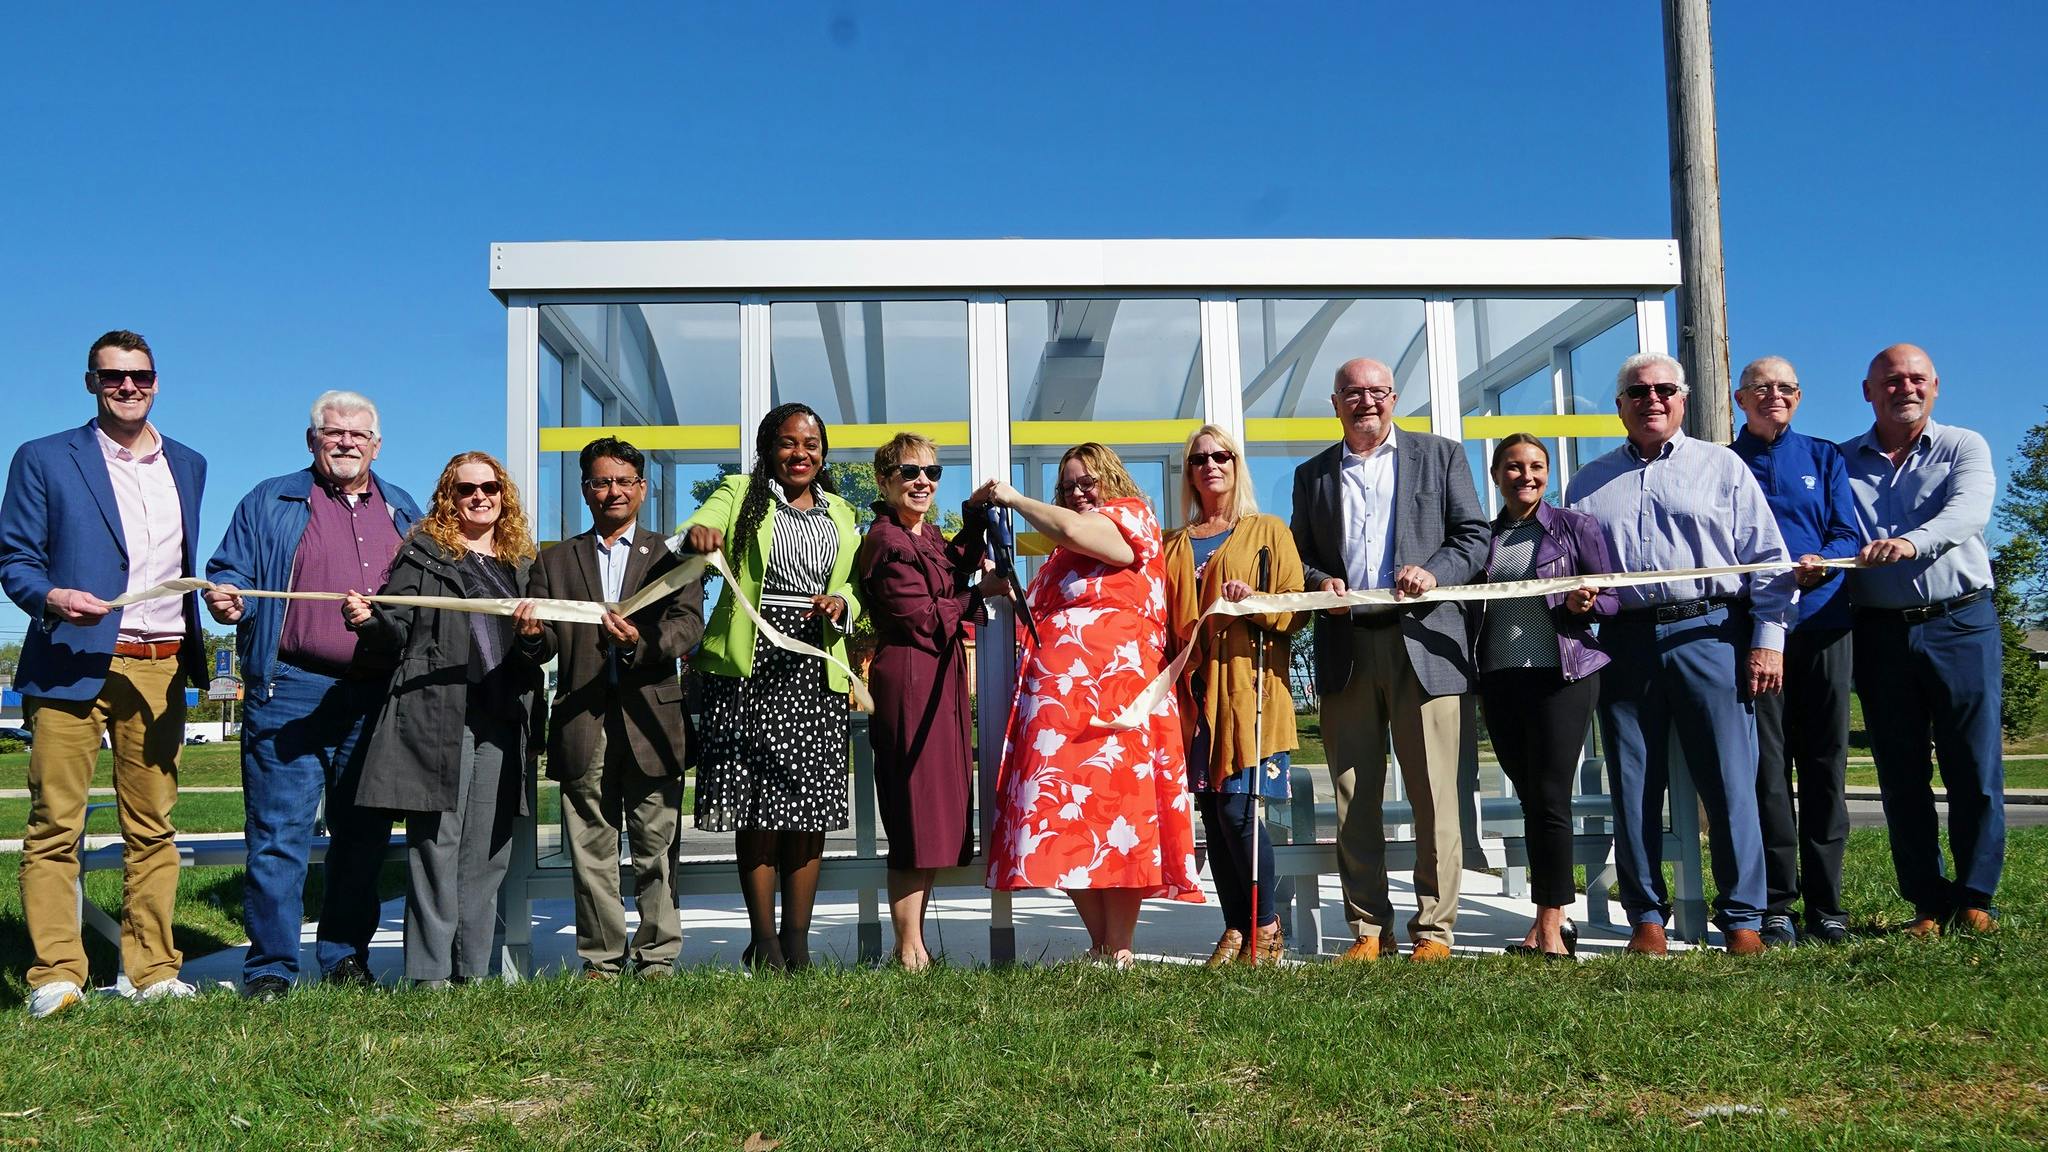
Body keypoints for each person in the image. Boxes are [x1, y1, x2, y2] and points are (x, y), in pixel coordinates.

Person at [0, 330, 208, 1017]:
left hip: (160, 666)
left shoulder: (189, 463)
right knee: (56, 823)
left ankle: (149, 971)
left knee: (152, 826)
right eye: (113, 377)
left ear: (156, 380)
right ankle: (57, 974)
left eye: (140, 376)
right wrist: (53, 597)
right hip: (71, 661)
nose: (128, 387)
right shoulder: (43, 458)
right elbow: (16, 562)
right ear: (91, 382)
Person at [1566, 352, 1794, 956]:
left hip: (1711, 633)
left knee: (1730, 782)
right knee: (1633, 782)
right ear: (1620, 407)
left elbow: (1767, 561)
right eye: (1637, 392)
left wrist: (1768, 641)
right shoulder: (1586, 484)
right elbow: (1571, 572)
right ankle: (1645, 916)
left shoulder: (1723, 468)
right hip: (1626, 642)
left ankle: (1743, 917)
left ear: (1683, 399)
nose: (1652, 400)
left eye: (1664, 389)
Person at [204, 390, 422, 999]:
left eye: (358, 435)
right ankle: (272, 967)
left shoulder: (404, 510)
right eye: (334, 433)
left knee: (363, 837)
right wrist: (224, 596)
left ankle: (345, 957)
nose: (346, 442)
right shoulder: (270, 500)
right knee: (279, 835)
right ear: (312, 441)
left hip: (376, 694)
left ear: (376, 445)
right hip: (289, 688)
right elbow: (228, 574)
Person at [1290, 358, 1488, 964]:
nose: (1366, 402)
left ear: (1395, 397)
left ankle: (1434, 930)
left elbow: (1474, 537)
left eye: (1377, 391)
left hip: (1424, 645)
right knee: (1352, 794)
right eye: (1353, 393)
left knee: (1435, 796)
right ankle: (1368, 928)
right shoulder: (1312, 475)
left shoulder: (1441, 455)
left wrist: (1435, 573)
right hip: (1347, 643)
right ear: (1335, 402)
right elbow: (1298, 554)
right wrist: (1320, 581)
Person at [977, 443, 1203, 968]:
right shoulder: (1058, 559)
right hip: (1060, 708)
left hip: (1117, 700)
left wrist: (1013, 498)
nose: (1077, 493)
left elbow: (1083, 534)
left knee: (1121, 814)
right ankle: (1101, 945)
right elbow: (1033, 605)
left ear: (1111, 480)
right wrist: (989, 580)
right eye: (1068, 486)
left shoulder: (1129, 518)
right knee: (1065, 819)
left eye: (1087, 482)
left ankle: (1120, 947)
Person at [344, 452, 544, 986]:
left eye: (491, 487)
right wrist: (367, 621)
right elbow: (395, 630)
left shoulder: (521, 565)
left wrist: (532, 636)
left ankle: (472, 975)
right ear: (448, 499)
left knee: (487, 854)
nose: (480, 497)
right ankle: (428, 979)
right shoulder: (424, 555)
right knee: (436, 849)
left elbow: (542, 648)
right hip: (438, 719)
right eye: (466, 489)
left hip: (502, 719)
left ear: (505, 495)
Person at [679, 403, 863, 972]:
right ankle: (765, 942)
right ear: (768, 449)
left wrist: (842, 605)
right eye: (788, 443)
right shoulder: (740, 492)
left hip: (814, 668)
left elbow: (855, 587)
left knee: (806, 812)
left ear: (823, 452)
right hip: (750, 666)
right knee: (759, 807)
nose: (800, 453)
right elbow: (701, 524)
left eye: (810, 444)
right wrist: (700, 532)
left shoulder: (842, 511)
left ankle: (799, 941)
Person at [515, 437, 704, 978]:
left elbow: (686, 625)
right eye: (601, 481)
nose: (612, 491)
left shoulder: (671, 560)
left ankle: (657, 957)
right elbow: (546, 642)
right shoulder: (553, 560)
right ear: (585, 490)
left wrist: (637, 645)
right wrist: (531, 637)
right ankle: (601, 959)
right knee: (590, 850)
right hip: (583, 720)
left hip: (653, 720)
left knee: (656, 846)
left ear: (642, 489)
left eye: (623, 481)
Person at [1841, 344, 2004, 936]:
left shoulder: (1965, 446)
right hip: (1878, 634)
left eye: (1916, 379)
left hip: (1961, 622)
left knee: (1974, 767)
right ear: (1868, 391)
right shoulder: (1840, 462)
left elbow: (1968, 515)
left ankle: (1977, 895)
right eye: (1890, 380)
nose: (1903, 388)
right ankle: (1927, 904)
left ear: (1936, 386)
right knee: (1900, 773)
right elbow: (1828, 529)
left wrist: (1911, 542)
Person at [1731, 357, 1862, 947]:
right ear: (1740, 398)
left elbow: (1846, 533)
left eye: (1785, 388)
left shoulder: (1824, 456)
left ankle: (1827, 906)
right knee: (1767, 771)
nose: (1773, 396)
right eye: (1761, 388)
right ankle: (1777, 903)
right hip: (1758, 635)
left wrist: (1821, 563)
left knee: (1824, 765)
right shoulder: (1724, 463)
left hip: (1824, 624)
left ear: (1799, 397)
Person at [1163, 425, 1304, 966]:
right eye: (1199, 458)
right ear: (1189, 472)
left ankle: (1264, 928)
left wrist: (1255, 600)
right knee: (1214, 815)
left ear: (1236, 465)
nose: (1211, 465)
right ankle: (1233, 928)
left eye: (1221, 455)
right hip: (1192, 699)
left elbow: (1293, 608)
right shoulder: (1172, 542)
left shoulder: (1267, 531)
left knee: (1241, 812)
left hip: (1249, 692)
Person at [854, 432, 994, 969]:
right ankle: (908, 947)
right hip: (911, 677)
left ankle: (915, 945)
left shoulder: (925, 534)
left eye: (932, 473)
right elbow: (924, 619)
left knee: (933, 813)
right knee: (914, 812)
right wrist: (983, 594)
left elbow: (955, 561)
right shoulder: (887, 542)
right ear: (885, 480)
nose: (922, 482)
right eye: (910, 472)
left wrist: (976, 517)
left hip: (939, 676)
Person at [1474, 434, 1617, 959]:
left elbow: (1615, 599)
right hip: (1500, 678)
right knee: (1530, 798)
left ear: (1548, 474)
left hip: (1564, 675)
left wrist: (1587, 603)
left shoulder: (1574, 527)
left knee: (1552, 796)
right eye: (1514, 467)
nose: (1525, 475)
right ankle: (1541, 921)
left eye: (1536, 466)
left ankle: (1552, 926)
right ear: (1496, 475)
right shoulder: (1483, 538)